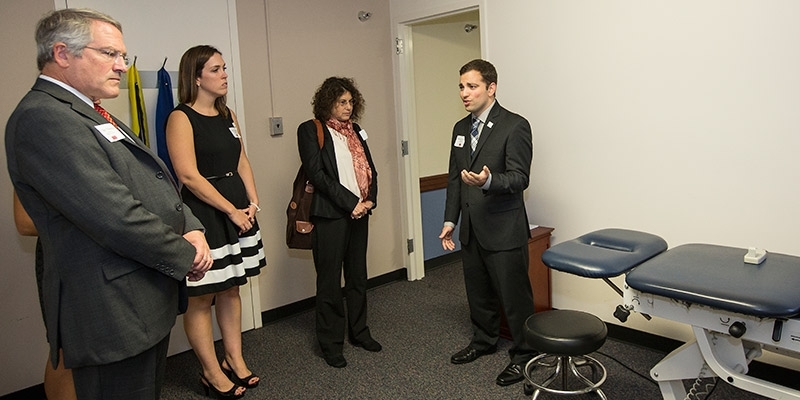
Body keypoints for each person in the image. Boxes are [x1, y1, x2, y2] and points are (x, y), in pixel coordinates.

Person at [5, 8, 213, 399]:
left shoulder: (91, 110)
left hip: (138, 294)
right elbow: (114, 216)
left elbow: (153, 179)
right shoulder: (44, 118)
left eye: (123, 56)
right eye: (110, 54)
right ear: (63, 53)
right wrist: (187, 255)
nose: (121, 66)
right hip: (111, 307)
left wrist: (191, 225)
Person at [166, 45, 266, 398]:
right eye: (216, 69)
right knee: (201, 298)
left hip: (239, 209)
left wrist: (252, 202)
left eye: (225, 68)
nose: (225, 74)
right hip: (206, 214)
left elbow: (242, 160)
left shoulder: (228, 115)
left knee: (231, 287)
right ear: (196, 77)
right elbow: (189, 177)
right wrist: (230, 210)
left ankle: (234, 360)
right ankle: (210, 372)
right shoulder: (181, 118)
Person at [439, 59, 537, 387]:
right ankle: (483, 340)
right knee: (478, 292)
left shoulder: (515, 125)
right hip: (471, 228)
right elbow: (455, 179)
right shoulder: (459, 129)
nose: (464, 93)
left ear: (491, 88)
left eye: (472, 86)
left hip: (504, 229)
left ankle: (525, 355)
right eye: (461, 87)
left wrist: (488, 181)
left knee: (514, 296)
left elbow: (519, 178)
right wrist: (450, 220)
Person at [297, 77, 381, 368]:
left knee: (358, 276)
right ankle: (331, 344)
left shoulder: (356, 131)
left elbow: (370, 169)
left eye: (350, 102)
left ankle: (359, 333)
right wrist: (351, 203)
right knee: (330, 281)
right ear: (328, 103)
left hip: (360, 213)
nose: (348, 107)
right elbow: (317, 175)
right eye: (341, 102)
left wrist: (369, 199)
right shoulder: (310, 130)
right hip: (331, 215)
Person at [13, 192, 77, 400]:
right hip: (64, 261)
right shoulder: (31, 157)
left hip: (110, 258)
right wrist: (100, 222)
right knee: (68, 354)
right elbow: (24, 221)